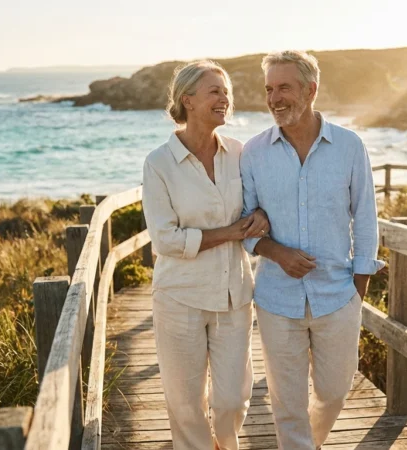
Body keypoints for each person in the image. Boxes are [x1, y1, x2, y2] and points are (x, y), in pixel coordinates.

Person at [240, 50, 385, 449]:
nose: (274, 98)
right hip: (276, 299)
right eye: (269, 89)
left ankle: (312, 442)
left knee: (334, 392)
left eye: (284, 87)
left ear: (311, 90)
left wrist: (358, 289)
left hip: (338, 295)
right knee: (287, 405)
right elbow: (245, 225)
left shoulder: (349, 146)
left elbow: (366, 218)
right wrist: (275, 252)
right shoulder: (253, 153)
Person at [141, 60, 269, 450]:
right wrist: (230, 232)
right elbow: (165, 240)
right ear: (188, 100)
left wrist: (262, 212)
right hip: (180, 297)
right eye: (215, 90)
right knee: (185, 403)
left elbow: (261, 204)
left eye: (226, 91)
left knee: (232, 398)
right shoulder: (159, 163)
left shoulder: (241, 153)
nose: (225, 98)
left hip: (234, 295)